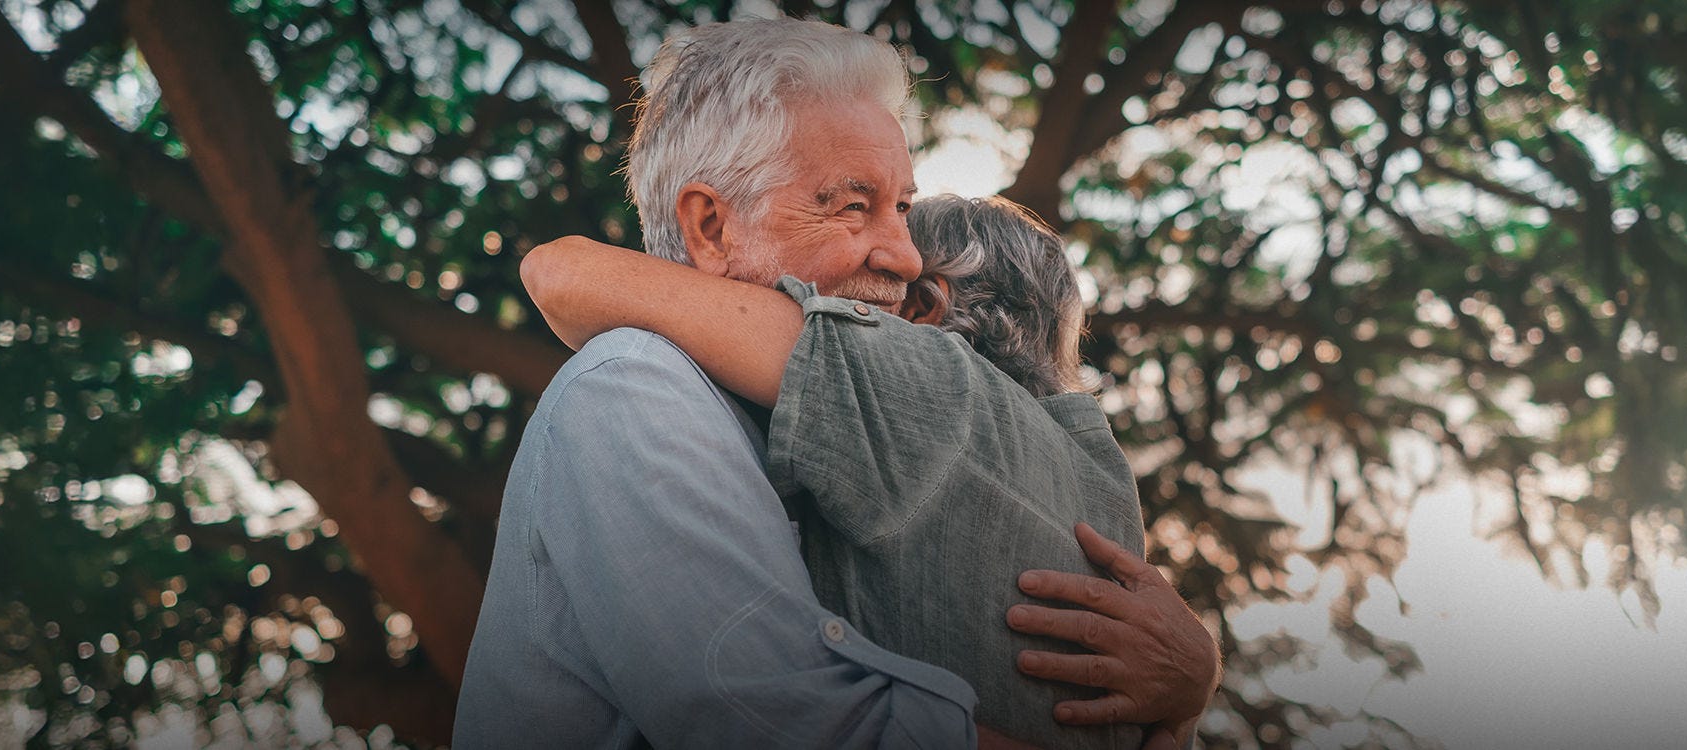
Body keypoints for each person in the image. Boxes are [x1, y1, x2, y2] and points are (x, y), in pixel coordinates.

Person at [454, 18, 1218, 749]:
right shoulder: (635, 388)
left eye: (905, 209)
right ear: (711, 228)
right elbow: (783, 728)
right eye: (854, 207)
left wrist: (1185, 683)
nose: (907, 258)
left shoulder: (829, 435)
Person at [518, 193, 1216, 748]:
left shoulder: (925, 380)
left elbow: (568, 274)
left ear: (923, 304)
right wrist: (1199, 683)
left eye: (894, 270)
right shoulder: (1104, 481)